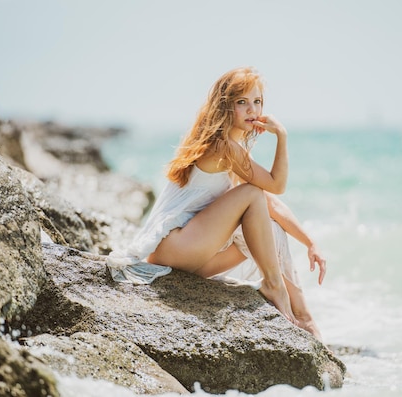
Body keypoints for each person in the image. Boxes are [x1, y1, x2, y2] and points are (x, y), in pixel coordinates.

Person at [107, 67, 326, 340]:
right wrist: (281, 135)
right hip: (175, 245)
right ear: (226, 106)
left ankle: (304, 318)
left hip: (193, 256)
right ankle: (275, 288)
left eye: (257, 102)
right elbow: (275, 186)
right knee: (251, 195)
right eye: (242, 102)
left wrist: (310, 242)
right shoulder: (223, 146)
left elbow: (271, 202)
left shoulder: (231, 147)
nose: (252, 110)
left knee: (269, 228)